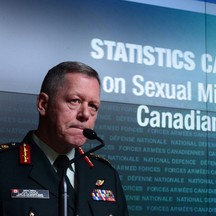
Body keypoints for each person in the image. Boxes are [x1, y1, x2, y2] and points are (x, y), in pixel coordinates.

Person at [0, 61, 129, 216]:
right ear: (43, 104)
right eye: (75, 101)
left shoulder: (106, 175)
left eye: (93, 106)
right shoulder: (4, 166)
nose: (85, 114)